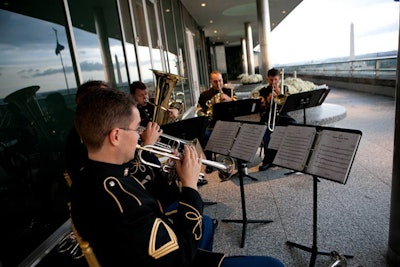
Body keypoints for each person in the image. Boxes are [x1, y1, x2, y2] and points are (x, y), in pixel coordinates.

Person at [70, 88, 284, 267]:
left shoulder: (91, 177)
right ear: (116, 136)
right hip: (171, 258)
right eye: (136, 129)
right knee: (273, 265)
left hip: (140, 252)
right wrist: (190, 186)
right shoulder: (120, 199)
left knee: (205, 226)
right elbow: (180, 254)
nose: (140, 135)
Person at [196, 70, 235, 174]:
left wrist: (229, 100)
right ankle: (209, 162)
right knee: (203, 135)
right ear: (211, 82)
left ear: (222, 80)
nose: (218, 84)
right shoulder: (204, 95)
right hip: (212, 126)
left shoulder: (229, 92)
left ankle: (235, 159)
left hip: (229, 124)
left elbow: (238, 107)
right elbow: (198, 111)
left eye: (220, 81)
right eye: (215, 82)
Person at [258, 68, 296, 171]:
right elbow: (260, 108)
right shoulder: (263, 91)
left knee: (295, 125)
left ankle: (293, 157)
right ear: (267, 79)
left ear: (279, 78)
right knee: (267, 131)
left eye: (275, 79)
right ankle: (267, 161)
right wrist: (268, 101)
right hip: (269, 117)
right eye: (271, 80)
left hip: (283, 116)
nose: (273, 82)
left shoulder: (285, 88)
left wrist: (280, 94)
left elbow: (289, 105)